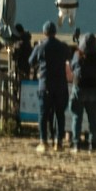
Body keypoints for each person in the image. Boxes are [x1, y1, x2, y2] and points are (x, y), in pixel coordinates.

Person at [34, 18, 70, 152]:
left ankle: (43, 142)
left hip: (45, 84)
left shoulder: (40, 46)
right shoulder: (63, 46)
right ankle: (58, 142)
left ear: (44, 32)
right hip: (60, 85)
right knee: (59, 114)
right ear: (55, 32)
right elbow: (69, 56)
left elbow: (31, 60)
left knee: (43, 114)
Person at [69, 31, 96, 152]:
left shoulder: (77, 55)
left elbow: (72, 67)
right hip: (94, 89)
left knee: (76, 117)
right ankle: (92, 145)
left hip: (79, 89)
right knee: (93, 118)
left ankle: (76, 144)